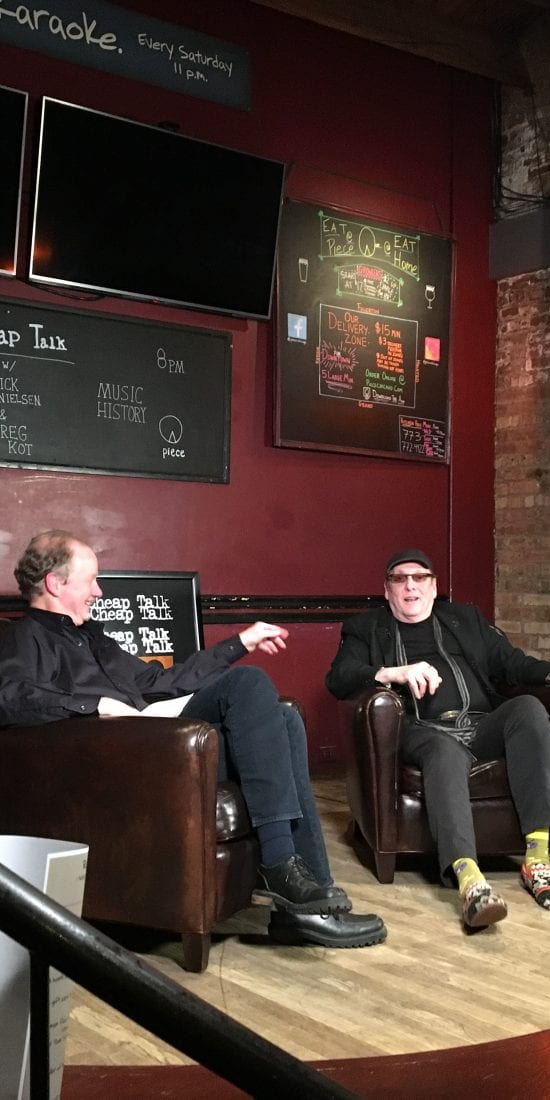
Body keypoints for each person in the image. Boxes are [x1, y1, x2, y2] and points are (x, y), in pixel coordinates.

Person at [0, 530, 387, 950]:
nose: (99, 591)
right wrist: (95, 704)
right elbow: (9, 697)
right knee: (248, 683)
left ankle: (307, 904)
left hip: (161, 745)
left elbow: (164, 681)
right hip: (122, 761)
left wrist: (241, 642)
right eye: (91, 580)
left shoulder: (95, 640)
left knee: (284, 718)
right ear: (55, 583)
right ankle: (282, 870)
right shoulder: (24, 638)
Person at [326, 547, 550, 930]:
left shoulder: (465, 619)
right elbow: (339, 679)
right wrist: (393, 672)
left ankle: (539, 856)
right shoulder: (366, 628)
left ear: (433, 587)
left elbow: (512, 664)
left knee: (527, 708)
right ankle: (470, 880)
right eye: (400, 579)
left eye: (420, 578)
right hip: (423, 732)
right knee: (443, 751)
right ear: (387, 590)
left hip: (480, 724)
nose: (410, 586)